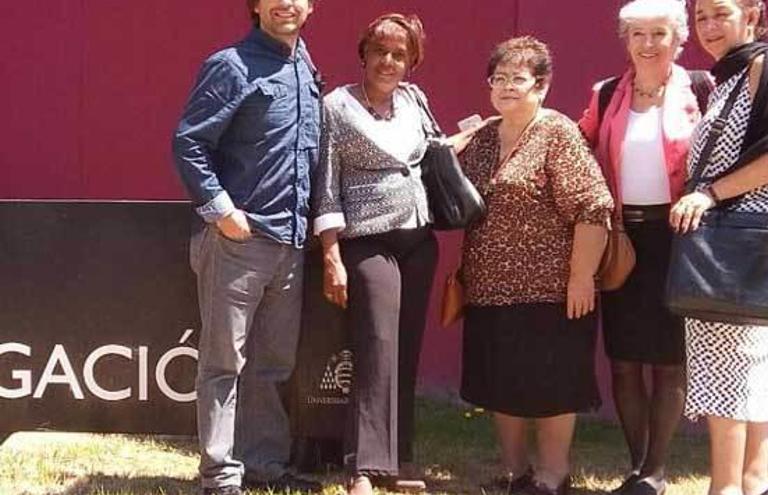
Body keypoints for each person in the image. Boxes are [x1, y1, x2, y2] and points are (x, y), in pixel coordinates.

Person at [311, 13, 476, 495]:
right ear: (363, 54)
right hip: (368, 239)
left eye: (399, 54)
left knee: (404, 349)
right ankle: (363, 466)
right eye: (380, 51)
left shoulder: (414, 100)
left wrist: (464, 139)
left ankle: (400, 458)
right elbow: (326, 186)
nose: (388, 61)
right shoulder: (337, 106)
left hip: (417, 237)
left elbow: (430, 153)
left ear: (412, 62)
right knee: (376, 345)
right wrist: (332, 254)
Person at [668, 1, 768, 494]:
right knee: (755, 365)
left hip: (741, 244)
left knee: (729, 369)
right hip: (744, 243)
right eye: (701, 18)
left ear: (751, 14)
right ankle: (754, 483)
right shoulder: (731, 75)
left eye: (721, 14)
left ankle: (725, 487)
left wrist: (708, 192)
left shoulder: (764, 64)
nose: (709, 27)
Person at [172, 1, 322, 494]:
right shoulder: (231, 65)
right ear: (255, 6)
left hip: (290, 244)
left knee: (272, 364)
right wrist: (223, 211)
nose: (286, 3)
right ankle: (219, 476)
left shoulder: (305, 67)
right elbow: (189, 142)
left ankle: (263, 465)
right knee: (222, 365)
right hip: (239, 243)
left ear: (311, 6)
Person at [458, 36, 613, 495]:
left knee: (552, 384)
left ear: (541, 86)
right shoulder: (483, 137)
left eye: (517, 79)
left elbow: (593, 207)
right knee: (500, 382)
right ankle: (514, 470)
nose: (506, 87)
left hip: (551, 289)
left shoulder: (557, 133)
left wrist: (581, 277)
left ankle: (552, 472)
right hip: (489, 288)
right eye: (498, 78)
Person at [578, 2, 705, 493]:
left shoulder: (702, 90)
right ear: (626, 41)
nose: (648, 44)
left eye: (659, 33)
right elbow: (577, 145)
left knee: (670, 360)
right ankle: (638, 467)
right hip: (622, 239)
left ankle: (656, 469)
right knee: (625, 359)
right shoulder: (606, 94)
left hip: (677, 238)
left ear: (678, 39)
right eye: (638, 35)